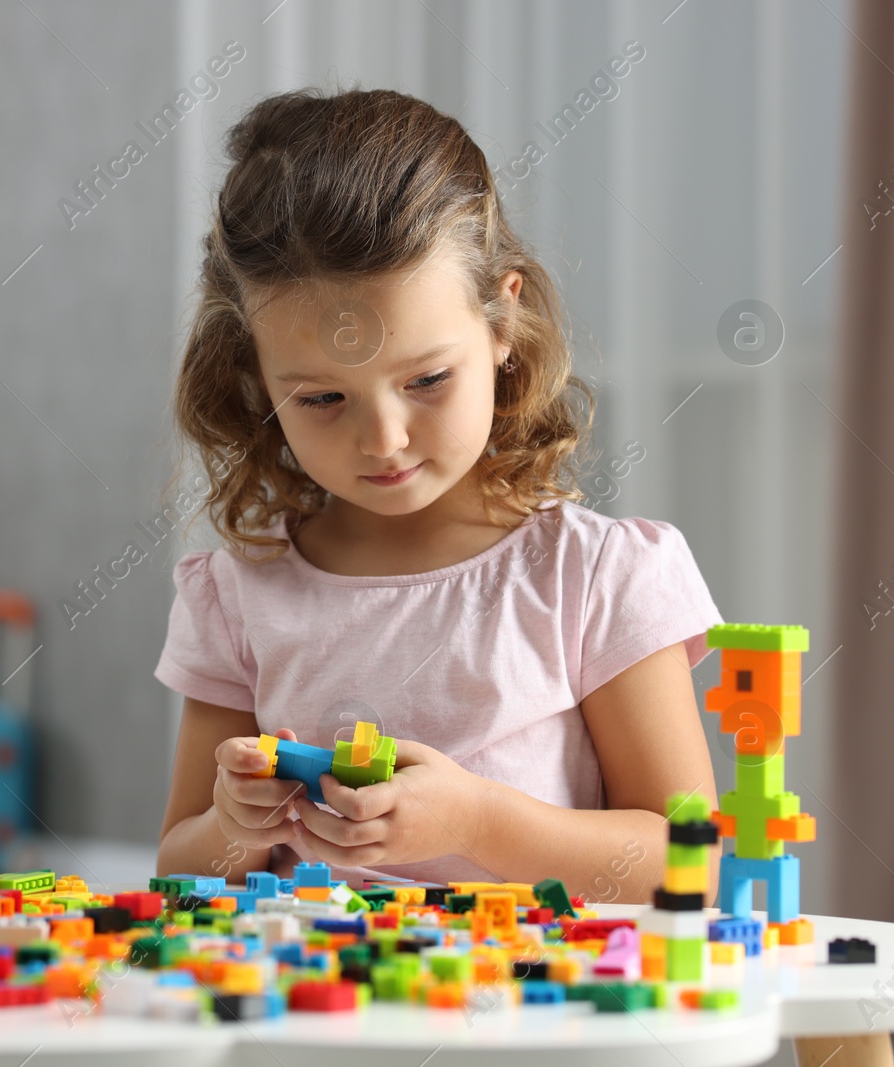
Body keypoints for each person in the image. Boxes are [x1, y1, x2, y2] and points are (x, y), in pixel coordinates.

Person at [154, 88, 722, 903]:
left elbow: (686, 866)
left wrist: (477, 823)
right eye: (321, 398)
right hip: (315, 1012)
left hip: (533, 1015)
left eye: (426, 379)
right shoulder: (240, 596)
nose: (383, 438)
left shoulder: (594, 576)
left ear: (501, 322)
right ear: (254, 372)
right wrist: (236, 828)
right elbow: (178, 870)